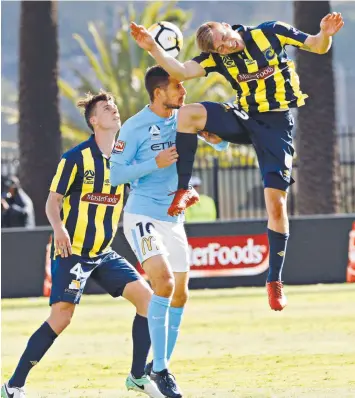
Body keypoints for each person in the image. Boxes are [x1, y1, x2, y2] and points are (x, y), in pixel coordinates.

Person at [130, 12, 344, 311]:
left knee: (276, 206)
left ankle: (274, 280)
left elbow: (316, 46)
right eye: (220, 49)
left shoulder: (271, 32)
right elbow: (179, 69)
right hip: (244, 116)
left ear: (228, 26)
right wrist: (152, 47)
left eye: (224, 39)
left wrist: (326, 33)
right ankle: (184, 189)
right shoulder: (218, 58)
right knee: (188, 114)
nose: (226, 47)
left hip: (276, 125)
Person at [1, 91, 164, 398]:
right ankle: (13, 385)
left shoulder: (123, 158)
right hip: (72, 251)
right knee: (62, 317)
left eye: (114, 106)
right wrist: (59, 229)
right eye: (107, 108)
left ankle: (137, 376)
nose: (114, 111)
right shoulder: (75, 158)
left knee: (148, 300)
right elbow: (53, 202)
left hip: (104, 253)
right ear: (94, 121)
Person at [110, 65, 228, 398]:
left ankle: (157, 365)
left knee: (180, 294)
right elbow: (116, 176)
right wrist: (154, 163)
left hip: (174, 218)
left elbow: (220, 147)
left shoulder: (183, 118)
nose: (184, 91)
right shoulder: (134, 127)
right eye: (178, 86)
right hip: (142, 214)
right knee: (163, 282)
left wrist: (216, 141)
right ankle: (161, 371)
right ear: (159, 92)